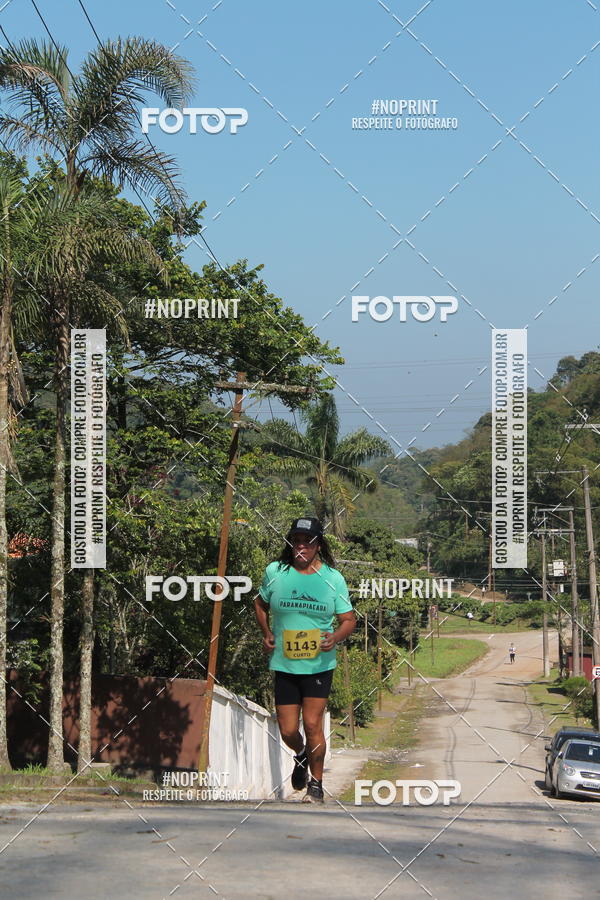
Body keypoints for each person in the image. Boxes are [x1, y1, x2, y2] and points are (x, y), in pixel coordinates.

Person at [254, 517, 356, 803]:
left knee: (312, 725)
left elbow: (349, 620)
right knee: (288, 729)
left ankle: (316, 784)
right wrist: (266, 633)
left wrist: (335, 638)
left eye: (308, 541)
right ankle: (300, 756)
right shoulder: (275, 572)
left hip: (318, 665)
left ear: (318, 545)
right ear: (290, 543)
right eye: (296, 540)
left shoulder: (333, 579)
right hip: (284, 664)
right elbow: (259, 604)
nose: (301, 546)